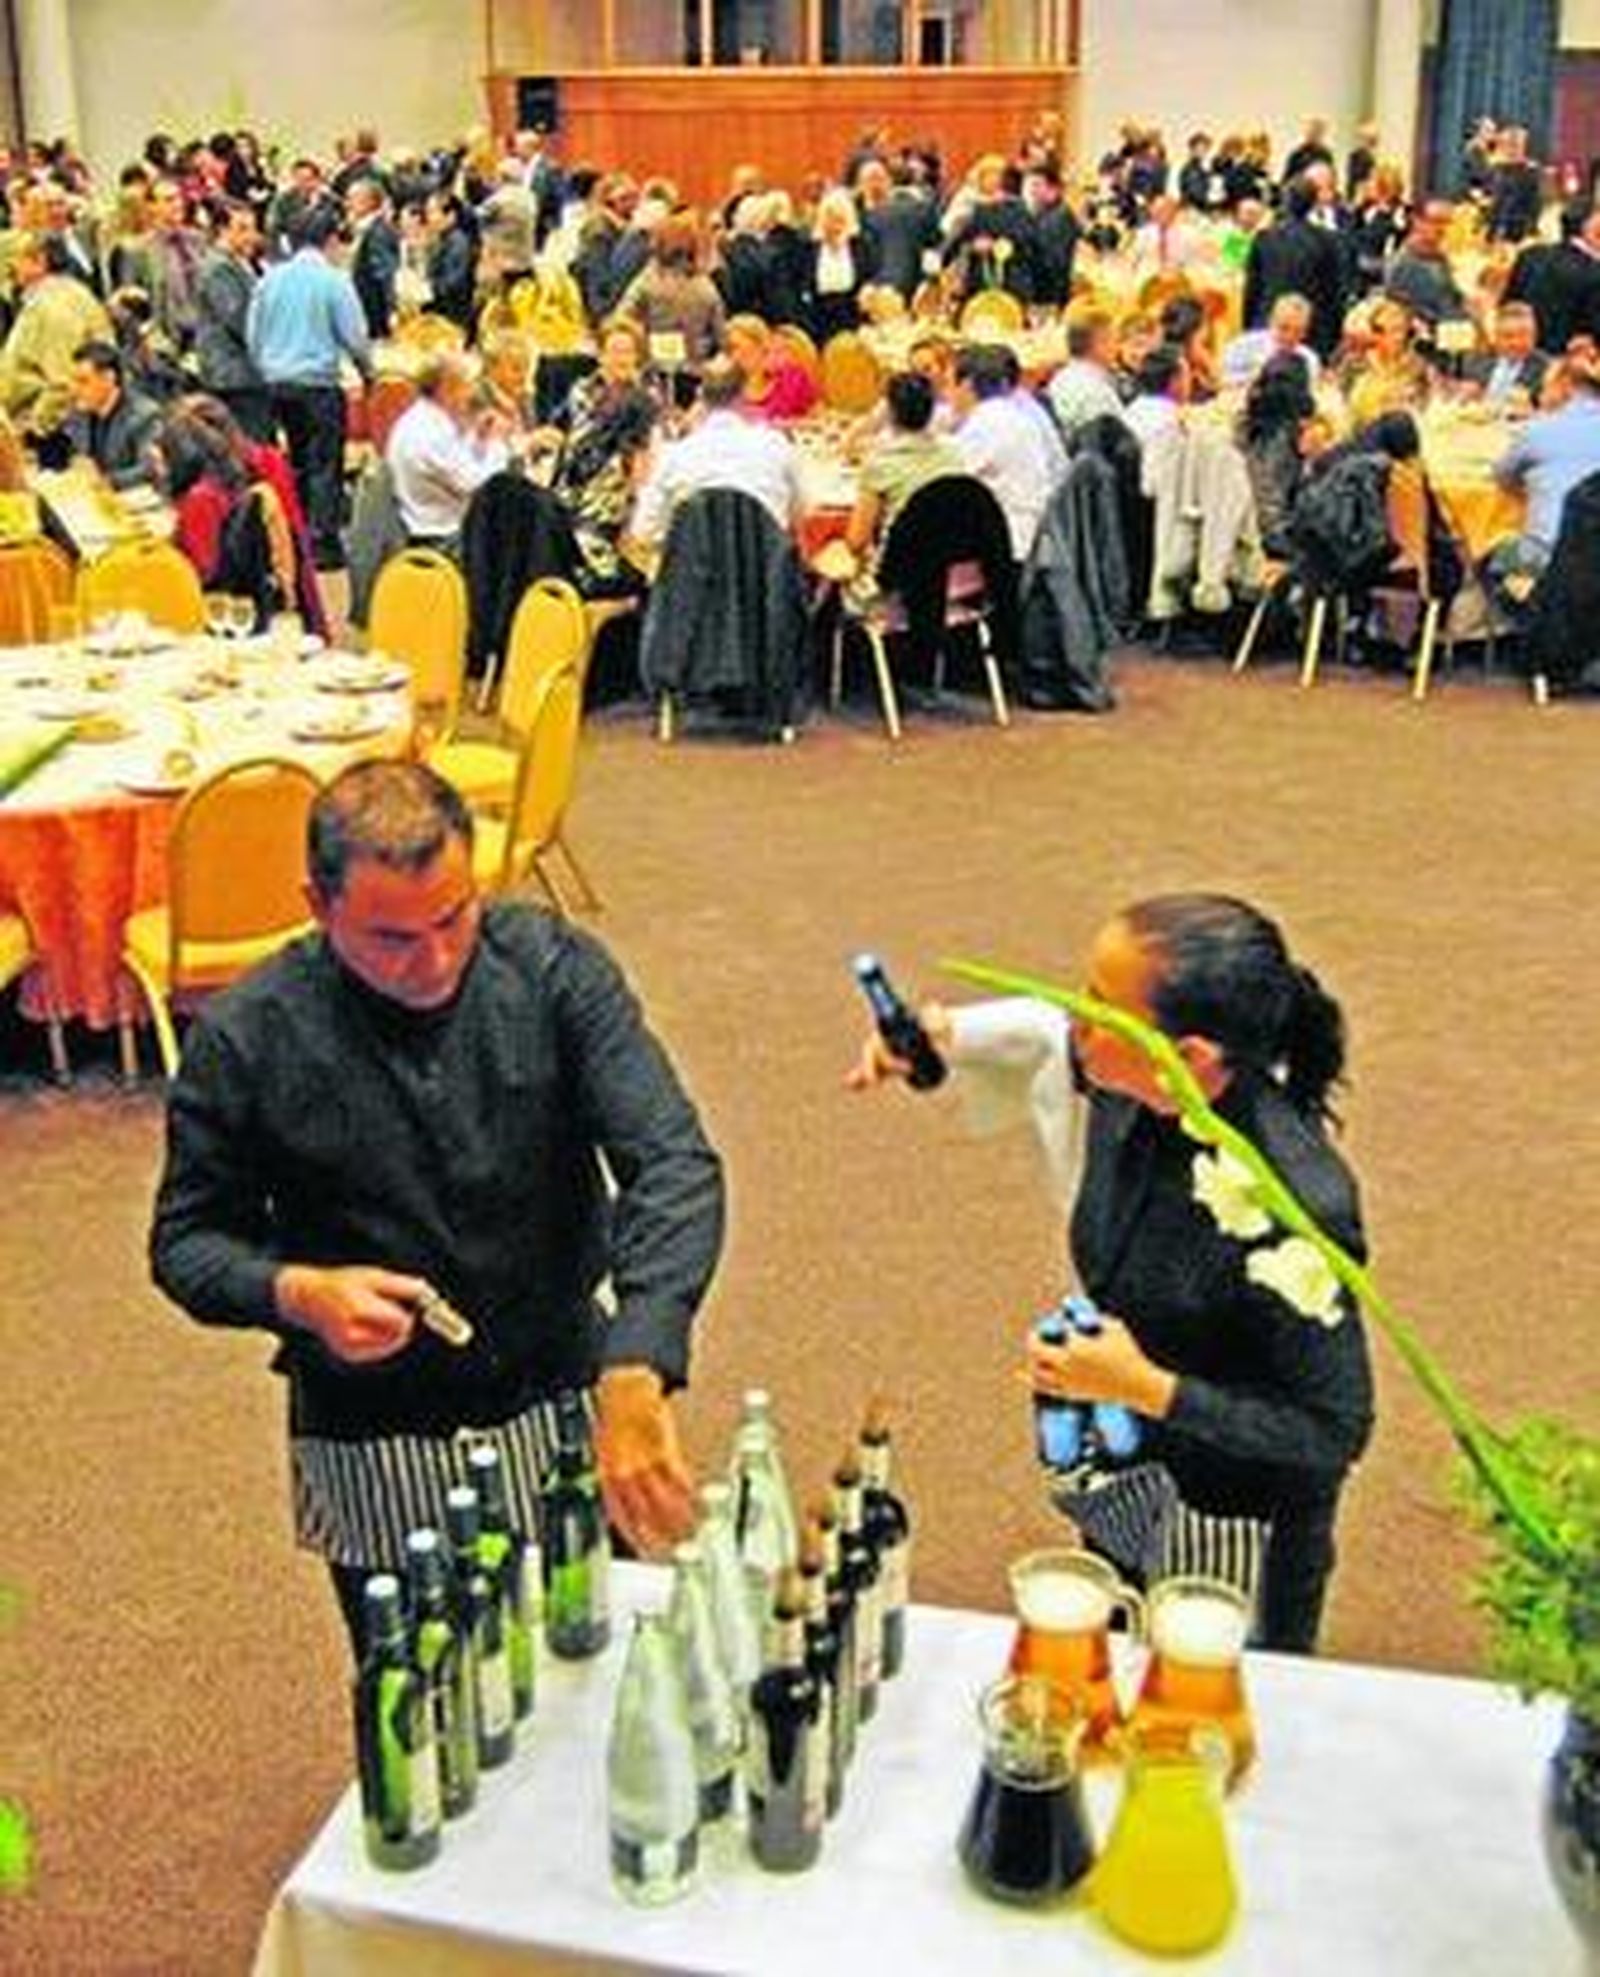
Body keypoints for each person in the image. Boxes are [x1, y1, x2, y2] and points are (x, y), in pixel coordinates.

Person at [150, 762, 725, 1651]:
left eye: (455, 916)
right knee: (422, 1687)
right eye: (391, 938)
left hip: (558, 1379)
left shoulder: (554, 969)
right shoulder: (247, 1034)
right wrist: (297, 1292)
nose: (436, 961)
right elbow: (186, 1241)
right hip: (373, 1429)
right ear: (317, 905)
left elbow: (672, 1164)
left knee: (593, 1658)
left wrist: (639, 1358)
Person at [848, 893, 1374, 1652]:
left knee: (1203, 1704)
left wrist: (1148, 1386)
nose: (1077, 1019)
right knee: (1116, 1651)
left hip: (1240, 1527)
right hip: (1130, 1465)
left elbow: (1334, 1428)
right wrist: (941, 1041)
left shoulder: (1295, 1203)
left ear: (1188, 1057)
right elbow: (1042, 1033)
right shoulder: (1127, 1078)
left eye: (1099, 1007)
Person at [247, 203, 372, 568]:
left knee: (295, 461)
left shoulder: (268, 280)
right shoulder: (334, 280)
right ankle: (324, 544)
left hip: (276, 383)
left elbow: (253, 336)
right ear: (330, 240)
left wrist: (268, 367)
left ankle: (296, 532)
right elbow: (355, 337)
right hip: (318, 384)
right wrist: (367, 371)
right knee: (324, 464)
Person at [630, 354, 802, 548]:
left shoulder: (673, 457)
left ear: (700, 395)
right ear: (744, 393)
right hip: (764, 563)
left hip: (694, 564)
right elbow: (801, 513)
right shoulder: (776, 447)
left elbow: (642, 531)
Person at [1485, 354, 1600, 618]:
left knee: (1486, 552)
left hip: (1548, 562)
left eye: (1545, 387)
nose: (1541, 395)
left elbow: (1502, 477)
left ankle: (1512, 628)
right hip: (1590, 562)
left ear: (1564, 387)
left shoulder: (1538, 431)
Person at [0, 231, 112, 461]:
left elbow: (64, 380)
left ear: (39, 261)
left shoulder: (50, 307)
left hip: (52, 439)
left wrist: (34, 430)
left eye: (14, 258)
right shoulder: (71, 292)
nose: (8, 267)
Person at [385, 349, 510, 549]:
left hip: (443, 522)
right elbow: (483, 487)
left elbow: (464, 462)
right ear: (448, 388)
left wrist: (480, 439)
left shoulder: (428, 418)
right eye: (470, 385)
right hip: (443, 537)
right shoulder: (427, 434)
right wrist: (497, 443)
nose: (474, 393)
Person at [950, 341, 1056, 561]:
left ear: (966, 385)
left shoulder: (984, 424)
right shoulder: (1015, 414)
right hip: (1036, 533)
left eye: (950, 385)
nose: (948, 394)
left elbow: (950, 478)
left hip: (1010, 543)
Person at [193, 198, 270, 441]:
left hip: (245, 374)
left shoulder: (240, 263)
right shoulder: (218, 268)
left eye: (253, 228)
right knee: (249, 447)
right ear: (222, 230)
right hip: (233, 378)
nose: (251, 237)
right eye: (242, 229)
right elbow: (241, 321)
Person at [64, 337, 161, 486]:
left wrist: (106, 481)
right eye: (73, 381)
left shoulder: (144, 415)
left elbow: (150, 470)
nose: (74, 390)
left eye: (83, 381)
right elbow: (74, 452)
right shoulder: (80, 411)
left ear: (108, 379)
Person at [1048, 305, 1125, 436]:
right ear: (1100, 344)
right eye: (1114, 340)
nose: (1118, 347)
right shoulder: (1095, 391)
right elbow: (1106, 439)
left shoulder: (1060, 378)